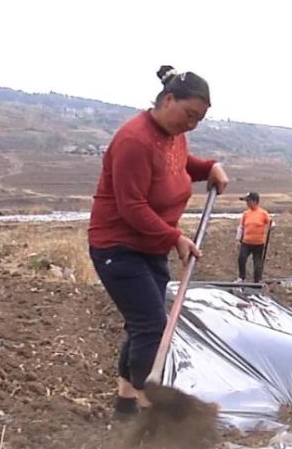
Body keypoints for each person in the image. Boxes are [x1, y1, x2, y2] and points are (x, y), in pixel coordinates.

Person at [88, 66, 230, 417]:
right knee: (151, 326)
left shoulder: (172, 134)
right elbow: (131, 206)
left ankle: (125, 406)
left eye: (199, 119)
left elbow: (178, 165)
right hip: (118, 248)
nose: (192, 125)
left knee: (141, 324)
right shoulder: (134, 140)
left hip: (150, 248)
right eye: (189, 115)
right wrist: (174, 236)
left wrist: (207, 167)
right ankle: (149, 411)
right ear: (168, 100)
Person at [236, 191, 272, 283]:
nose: (247, 203)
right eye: (246, 201)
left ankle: (257, 280)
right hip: (246, 242)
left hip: (258, 244)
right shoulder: (245, 214)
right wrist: (238, 239)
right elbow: (241, 227)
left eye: (248, 201)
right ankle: (241, 277)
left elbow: (271, 222)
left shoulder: (263, 213)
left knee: (257, 263)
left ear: (255, 201)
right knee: (241, 258)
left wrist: (270, 227)